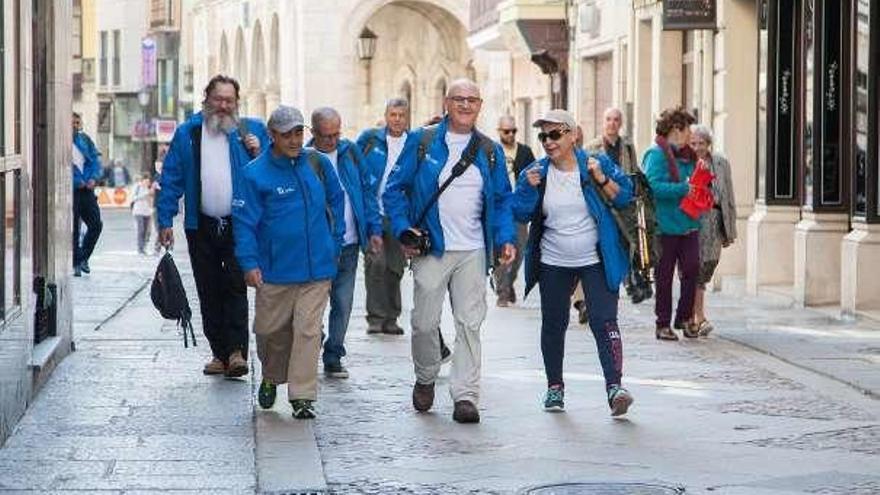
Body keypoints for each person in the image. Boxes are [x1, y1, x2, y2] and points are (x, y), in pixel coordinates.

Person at [384, 78, 516, 424]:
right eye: (459, 99)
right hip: (433, 246)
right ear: (447, 102)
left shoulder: (489, 150)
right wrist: (402, 228)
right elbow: (394, 191)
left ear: (480, 105)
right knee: (424, 323)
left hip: (473, 249)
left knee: (469, 323)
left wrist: (505, 239)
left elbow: (502, 199)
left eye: (472, 99)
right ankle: (426, 376)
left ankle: (466, 396)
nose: (465, 105)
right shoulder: (422, 142)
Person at [513, 109, 635, 415]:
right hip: (554, 260)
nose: (548, 142)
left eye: (555, 134)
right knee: (554, 324)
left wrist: (601, 177)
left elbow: (625, 197)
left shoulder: (596, 163)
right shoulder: (535, 171)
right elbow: (519, 213)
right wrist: (527, 188)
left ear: (573, 134)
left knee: (604, 321)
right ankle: (555, 388)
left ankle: (615, 387)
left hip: (596, 258)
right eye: (543, 136)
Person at [233, 105, 344, 419]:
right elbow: (244, 223)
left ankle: (302, 395)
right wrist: (248, 263)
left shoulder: (318, 163)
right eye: (287, 135)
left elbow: (337, 199)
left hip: (317, 269)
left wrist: (334, 242)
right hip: (275, 271)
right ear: (272, 136)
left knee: (308, 331)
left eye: (299, 132)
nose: (295, 140)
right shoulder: (254, 174)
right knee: (271, 332)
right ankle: (270, 375)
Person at [157, 74, 269, 377]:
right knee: (208, 288)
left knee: (235, 285)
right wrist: (165, 219)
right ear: (206, 100)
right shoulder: (188, 133)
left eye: (229, 101)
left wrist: (259, 152)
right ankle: (218, 353)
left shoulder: (252, 131)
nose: (223, 106)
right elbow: (171, 178)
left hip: (240, 224)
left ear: (237, 103)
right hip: (200, 224)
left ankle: (236, 353)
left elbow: (276, 168)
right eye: (218, 99)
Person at [308, 107, 383, 379]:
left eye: (336, 134)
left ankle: (334, 355)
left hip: (350, 245)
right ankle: (314, 339)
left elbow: (367, 191)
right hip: (318, 247)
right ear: (313, 132)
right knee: (312, 304)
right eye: (326, 136)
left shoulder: (350, 152)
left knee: (343, 302)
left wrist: (373, 228)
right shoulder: (306, 159)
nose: (332, 141)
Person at [643, 107, 701, 341]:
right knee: (664, 276)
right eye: (688, 129)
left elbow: (695, 182)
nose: (690, 134)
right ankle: (663, 323)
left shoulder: (690, 155)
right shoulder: (656, 154)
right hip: (665, 226)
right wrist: (683, 188)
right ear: (676, 129)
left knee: (692, 270)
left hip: (690, 223)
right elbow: (652, 188)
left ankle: (684, 318)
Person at [357, 98, 410, 335]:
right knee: (376, 264)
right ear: (386, 116)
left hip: (399, 215)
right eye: (393, 115)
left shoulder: (414, 143)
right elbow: (351, 160)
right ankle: (376, 318)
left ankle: (392, 317)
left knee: (395, 268)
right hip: (373, 212)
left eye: (401, 115)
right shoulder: (371, 139)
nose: (397, 119)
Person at [689, 124, 737, 336]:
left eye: (701, 143)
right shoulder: (685, 163)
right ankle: (697, 317)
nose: (698, 147)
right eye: (694, 143)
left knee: (709, 264)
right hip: (694, 219)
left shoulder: (721, 162)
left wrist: (730, 230)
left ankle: (693, 316)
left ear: (709, 144)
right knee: (693, 268)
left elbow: (729, 196)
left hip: (715, 220)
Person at [494, 116, 535, 307]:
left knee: (519, 251)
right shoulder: (492, 151)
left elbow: (535, 177)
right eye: (506, 131)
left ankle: (508, 284)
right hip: (500, 208)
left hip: (519, 208)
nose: (510, 135)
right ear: (499, 131)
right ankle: (502, 292)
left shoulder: (525, 152)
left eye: (513, 131)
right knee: (502, 249)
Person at [72, 112, 104, 277]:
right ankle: (76, 262)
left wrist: (94, 178)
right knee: (73, 228)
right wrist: (76, 182)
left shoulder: (85, 140)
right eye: (73, 122)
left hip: (87, 191)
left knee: (96, 224)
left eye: (78, 122)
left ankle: (84, 257)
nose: (75, 126)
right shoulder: (62, 142)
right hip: (72, 191)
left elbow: (95, 161)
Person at [131, 173, 154, 255]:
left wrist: (151, 209)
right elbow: (133, 198)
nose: (147, 183)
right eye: (146, 181)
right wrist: (145, 194)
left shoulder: (149, 188)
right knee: (140, 230)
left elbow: (151, 200)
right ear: (142, 180)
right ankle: (140, 249)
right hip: (138, 212)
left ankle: (144, 247)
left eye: (148, 182)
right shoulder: (137, 187)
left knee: (146, 231)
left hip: (147, 212)